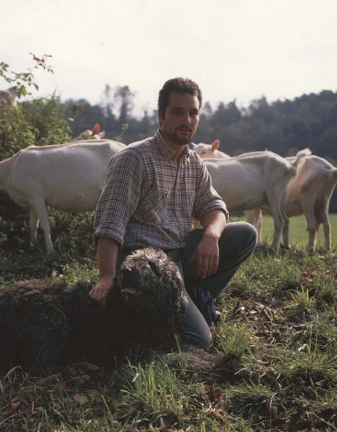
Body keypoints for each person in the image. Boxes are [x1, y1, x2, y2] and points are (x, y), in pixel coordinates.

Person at [89, 78, 257, 347]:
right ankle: (169, 316)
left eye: (193, 113)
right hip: (143, 264)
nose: (186, 120)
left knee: (245, 234)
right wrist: (107, 277)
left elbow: (215, 207)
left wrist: (211, 237)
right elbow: (110, 222)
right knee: (199, 341)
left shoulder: (194, 162)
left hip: (177, 255)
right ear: (161, 116)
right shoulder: (134, 158)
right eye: (177, 112)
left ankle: (199, 298)